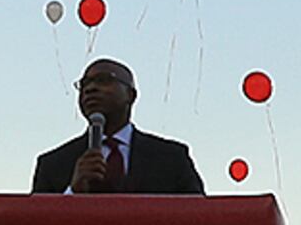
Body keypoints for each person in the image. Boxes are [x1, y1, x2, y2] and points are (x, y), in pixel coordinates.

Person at [30, 57, 206, 194]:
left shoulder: (171, 158)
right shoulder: (52, 164)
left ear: (131, 95)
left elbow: (202, 218)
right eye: (84, 84)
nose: (90, 89)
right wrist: (73, 191)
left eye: (103, 80)